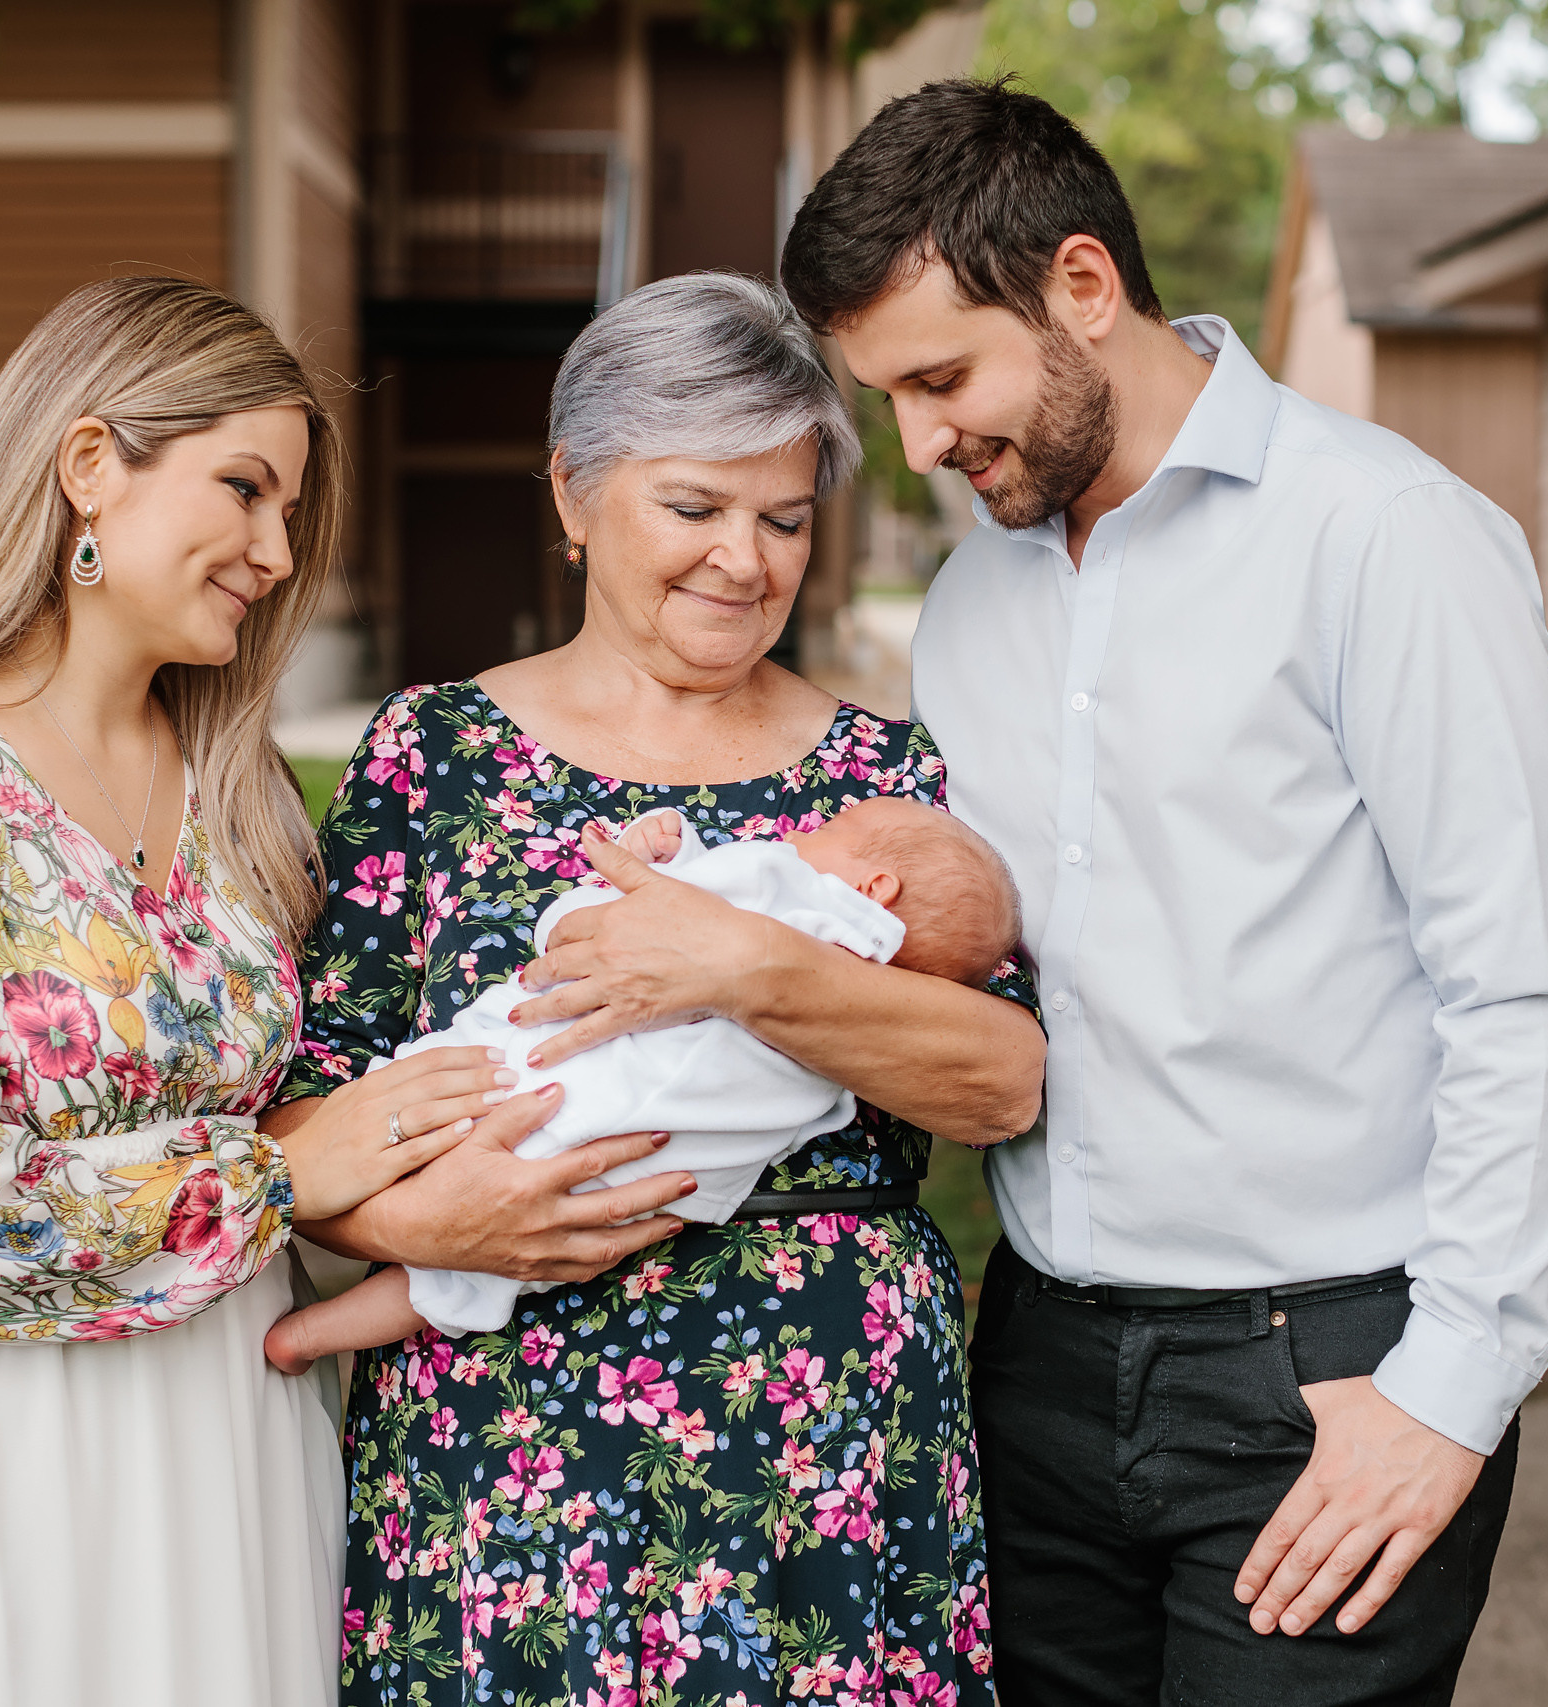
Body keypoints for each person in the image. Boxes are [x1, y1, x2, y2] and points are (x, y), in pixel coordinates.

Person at [781, 79, 1548, 1707]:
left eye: (942, 379)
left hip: (1327, 1368)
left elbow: (1526, 997)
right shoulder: (969, 605)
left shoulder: (1386, 539)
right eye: (887, 396)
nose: (921, 441)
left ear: (1083, 287)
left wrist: (1447, 1390)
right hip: (1036, 1366)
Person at [261, 271, 1044, 1705]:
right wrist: (427, 1219)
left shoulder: (885, 782)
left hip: (821, 1434)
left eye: (786, 518)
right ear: (572, 492)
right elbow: (310, 1100)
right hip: (502, 1434)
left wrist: (751, 965)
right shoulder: (432, 756)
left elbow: (1001, 1080)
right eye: (695, 508)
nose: (745, 560)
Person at [0, 277, 471, 1706]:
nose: (278, 551)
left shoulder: (243, 794)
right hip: (4, 1435)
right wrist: (272, 1170)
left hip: (236, 1419)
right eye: (246, 488)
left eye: (290, 512)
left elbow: (328, 1106)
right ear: (91, 465)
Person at [261, 797, 1019, 1357]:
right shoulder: (873, 1007)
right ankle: (314, 1332)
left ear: (876, 885)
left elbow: (613, 920)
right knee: (467, 1279)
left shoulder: (793, 884)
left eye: (829, 833)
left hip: (556, 1097)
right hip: (642, 1183)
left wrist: (663, 849)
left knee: (436, 1118)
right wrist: (407, 1226)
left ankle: (325, 1316)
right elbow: (298, 1106)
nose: (799, 835)